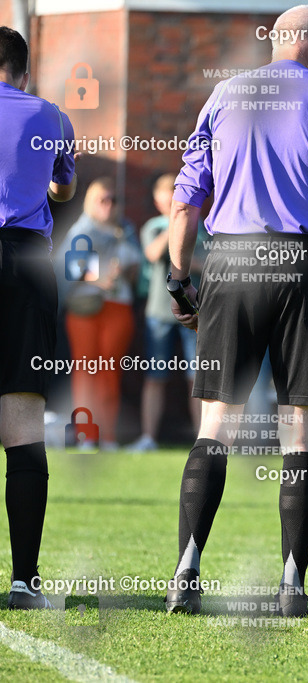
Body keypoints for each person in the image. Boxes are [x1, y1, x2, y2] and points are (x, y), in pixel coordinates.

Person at [163, 5, 308, 618]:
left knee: (216, 427)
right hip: (305, 265)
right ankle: (291, 586)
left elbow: (185, 200)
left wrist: (180, 280)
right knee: (299, 433)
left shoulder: (225, 95)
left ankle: (186, 572)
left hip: (230, 261)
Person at [0, 25, 77, 609]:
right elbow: (62, 187)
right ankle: (24, 582)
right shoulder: (50, 115)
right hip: (27, 266)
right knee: (23, 427)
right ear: (24, 70)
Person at [58, 177, 142, 449]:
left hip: (117, 307)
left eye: (113, 200)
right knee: (85, 373)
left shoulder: (126, 230)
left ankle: (107, 436)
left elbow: (137, 275)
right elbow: (69, 269)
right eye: (102, 200)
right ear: (90, 202)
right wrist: (98, 277)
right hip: (84, 309)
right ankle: (86, 436)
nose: (108, 205)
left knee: (109, 372)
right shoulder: (80, 231)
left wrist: (126, 271)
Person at [130, 173, 204, 451]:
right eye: (165, 194)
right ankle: (148, 437)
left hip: (193, 312)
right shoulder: (153, 226)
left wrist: (188, 258)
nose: (171, 199)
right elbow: (152, 253)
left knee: (197, 378)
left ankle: (202, 439)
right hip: (159, 313)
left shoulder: (202, 227)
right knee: (155, 376)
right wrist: (176, 222)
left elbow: (208, 265)